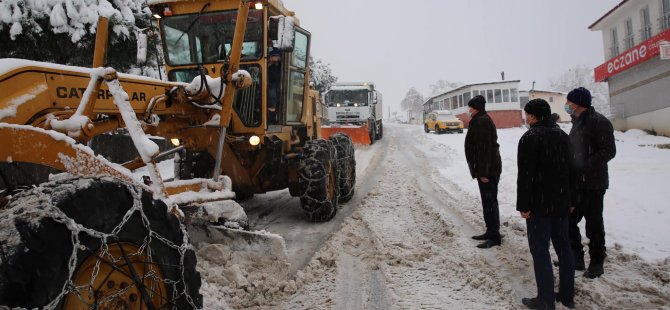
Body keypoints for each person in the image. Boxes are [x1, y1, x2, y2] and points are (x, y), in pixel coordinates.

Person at [517, 99, 575, 310]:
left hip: (538, 205)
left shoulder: (530, 138)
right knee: (564, 248)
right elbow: (573, 171)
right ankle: (567, 295)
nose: (526, 118)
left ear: (532, 116)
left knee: (540, 250)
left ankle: (545, 299)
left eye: (527, 115)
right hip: (561, 202)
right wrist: (572, 200)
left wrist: (523, 204)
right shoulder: (562, 135)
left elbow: (525, 176)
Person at [565, 87, 616, 279]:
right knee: (569, 220)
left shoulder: (599, 122)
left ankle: (596, 263)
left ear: (577, 103)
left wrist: (585, 166)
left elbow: (609, 151)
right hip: (577, 183)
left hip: (593, 184)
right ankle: (575, 258)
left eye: (569, 102)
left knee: (593, 225)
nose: (567, 105)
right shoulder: (577, 122)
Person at [465, 95, 502, 248]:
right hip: (486, 169)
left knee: (490, 202)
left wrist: (483, 172)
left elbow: (484, 149)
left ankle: (494, 236)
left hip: (488, 171)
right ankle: (490, 231)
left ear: (477, 108)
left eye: (471, 107)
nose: (469, 110)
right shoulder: (479, 120)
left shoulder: (482, 121)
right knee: (488, 202)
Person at [267, 49, 281, 124]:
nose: (275, 58)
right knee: (272, 98)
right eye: (273, 56)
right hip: (270, 84)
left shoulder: (281, 66)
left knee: (275, 100)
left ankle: (273, 118)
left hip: (278, 85)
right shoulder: (268, 66)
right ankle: (270, 118)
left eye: (276, 56)